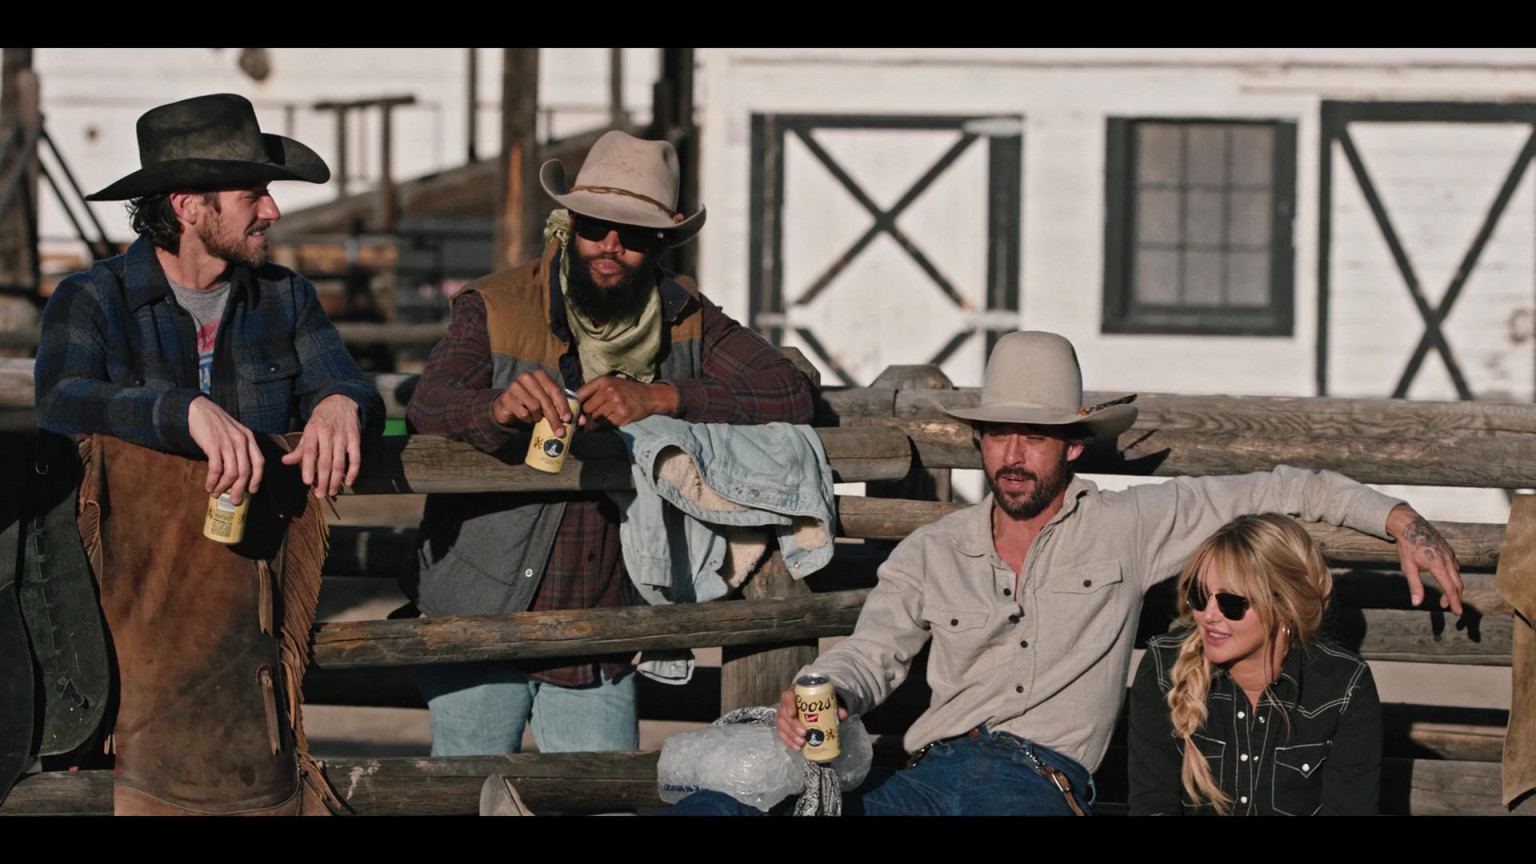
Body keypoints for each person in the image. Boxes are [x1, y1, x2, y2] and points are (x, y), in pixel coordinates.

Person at [667, 329, 1460, 816]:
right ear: (979, 442)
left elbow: (1289, 486)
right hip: (927, 771)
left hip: (1037, 785)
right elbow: (871, 654)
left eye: (1035, 437)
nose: (1013, 455)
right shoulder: (933, 552)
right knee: (726, 805)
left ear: (1073, 445)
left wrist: (1403, 523)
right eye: (999, 435)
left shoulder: (1127, 526)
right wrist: (829, 695)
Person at [403, 130, 816, 757]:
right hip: (481, 607)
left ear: (661, 243)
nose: (612, 246)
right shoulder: (495, 304)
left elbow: (788, 390)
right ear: (571, 222)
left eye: (636, 234)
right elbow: (429, 403)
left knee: (599, 800)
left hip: (602, 619)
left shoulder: (685, 315)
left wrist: (662, 399)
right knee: (464, 796)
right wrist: (495, 407)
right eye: (598, 226)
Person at [35, 92, 383, 500]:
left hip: (257, 551)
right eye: (252, 196)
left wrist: (342, 401)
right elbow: (59, 403)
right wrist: (182, 411)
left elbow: (349, 384)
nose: (273, 211)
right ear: (188, 207)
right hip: (129, 551)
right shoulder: (92, 297)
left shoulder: (286, 296)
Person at [1127, 513, 1380, 816]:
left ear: (1286, 607)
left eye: (1231, 603)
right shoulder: (1163, 667)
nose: (1209, 615)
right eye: (1199, 594)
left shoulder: (1344, 686)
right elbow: (1153, 805)